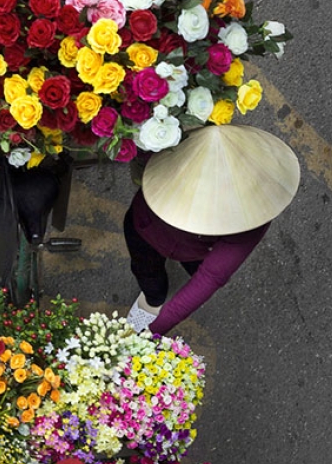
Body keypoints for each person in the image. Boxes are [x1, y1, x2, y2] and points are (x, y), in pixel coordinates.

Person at [124, 125, 300, 335]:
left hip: (195, 250)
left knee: (195, 271)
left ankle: (154, 298)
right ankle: (153, 299)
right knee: (146, 272)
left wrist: (154, 330)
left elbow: (211, 276)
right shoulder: (169, 139)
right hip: (145, 228)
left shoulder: (253, 214)